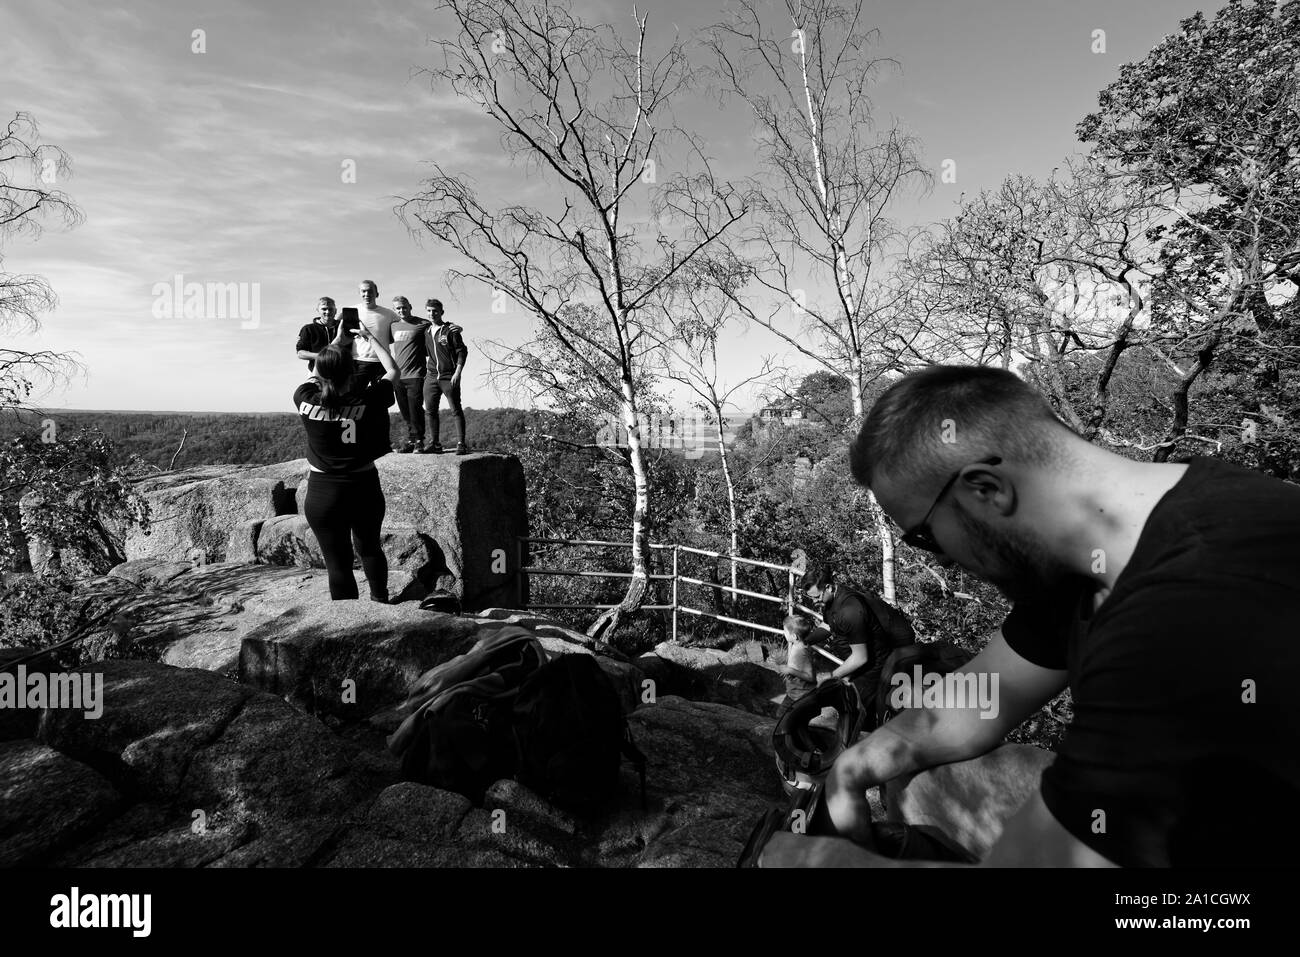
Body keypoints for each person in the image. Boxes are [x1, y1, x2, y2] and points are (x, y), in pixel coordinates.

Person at [763, 364, 1300, 868]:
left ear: (986, 489)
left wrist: (818, 861)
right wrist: (853, 771)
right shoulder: (1094, 557)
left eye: (923, 537)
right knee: (918, 773)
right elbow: (977, 700)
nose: (939, 558)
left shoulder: (1200, 602)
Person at [293, 318, 400, 602]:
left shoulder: (304, 398)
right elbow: (392, 369)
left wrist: (337, 341)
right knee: (370, 549)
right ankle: (381, 602)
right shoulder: (369, 399)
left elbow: (318, 371)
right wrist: (370, 338)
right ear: (352, 373)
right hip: (363, 487)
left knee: (337, 563)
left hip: (322, 493)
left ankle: (348, 625)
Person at [801, 565, 915, 725]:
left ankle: (870, 733)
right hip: (868, 650)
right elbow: (828, 625)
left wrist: (830, 677)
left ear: (828, 587)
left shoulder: (850, 610)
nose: (814, 602)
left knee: (856, 698)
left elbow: (860, 658)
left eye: (816, 597)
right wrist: (806, 640)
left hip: (886, 651)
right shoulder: (831, 600)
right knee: (851, 694)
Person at [419, 298, 469, 455]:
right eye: (428, 311)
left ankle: (461, 443)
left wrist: (458, 372)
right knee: (430, 411)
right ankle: (435, 443)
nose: (431, 313)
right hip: (432, 376)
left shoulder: (450, 330)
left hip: (449, 376)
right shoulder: (426, 332)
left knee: (455, 409)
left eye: (435, 311)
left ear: (441, 312)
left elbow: (462, 351)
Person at [388, 296, 431, 453]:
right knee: (405, 410)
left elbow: (439, 329)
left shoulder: (422, 324)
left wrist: (453, 327)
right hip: (398, 376)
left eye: (404, 307)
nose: (401, 310)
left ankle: (420, 440)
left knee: (415, 409)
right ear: (395, 310)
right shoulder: (393, 326)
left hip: (416, 374)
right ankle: (411, 440)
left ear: (410, 306)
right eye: (398, 308)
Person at [343, 280, 399, 388]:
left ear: (377, 294)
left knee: (381, 398)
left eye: (370, 291)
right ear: (359, 293)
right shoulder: (350, 311)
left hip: (382, 362)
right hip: (358, 361)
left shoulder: (389, 314)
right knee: (356, 396)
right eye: (363, 291)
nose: (367, 294)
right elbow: (336, 329)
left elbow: (401, 330)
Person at [779, 612, 818, 711]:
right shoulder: (798, 646)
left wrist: (790, 670)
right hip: (797, 692)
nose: (784, 633)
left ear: (794, 636)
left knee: (781, 715)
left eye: (785, 631)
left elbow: (811, 677)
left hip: (799, 695)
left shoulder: (801, 651)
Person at [295, 297, 338, 373]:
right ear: (318, 310)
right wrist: (322, 357)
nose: (327, 312)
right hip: (317, 372)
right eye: (324, 309)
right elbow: (300, 353)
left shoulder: (344, 327)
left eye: (330, 309)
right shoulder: (308, 329)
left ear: (336, 311)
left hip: (342, 373)